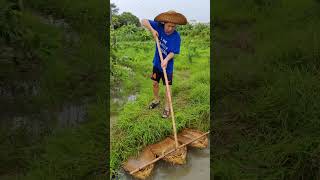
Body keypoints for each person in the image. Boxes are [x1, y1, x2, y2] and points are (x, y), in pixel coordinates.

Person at [141, 10, 187, 118]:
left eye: (173, 26)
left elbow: (173, 52)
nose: (170, 28)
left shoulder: (176, 37)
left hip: (168, 67)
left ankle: (167, 107)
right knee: (154, 83)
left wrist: (166, 60)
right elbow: (143, 21)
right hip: (157, 64)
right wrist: (152, 30)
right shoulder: (158, 26)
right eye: (168, 26)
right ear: (164, 23)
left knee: (167, 87)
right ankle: (156, 100)